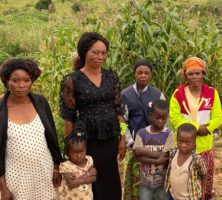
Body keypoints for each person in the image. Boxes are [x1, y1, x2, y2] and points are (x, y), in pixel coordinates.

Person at [59, 32, 126, 200]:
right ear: (84, 52)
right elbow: (69, 117)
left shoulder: (111, 77)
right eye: (95, 52)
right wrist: (70, 147)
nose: (100, 57)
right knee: (90, 186)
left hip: (110, 139)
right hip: (87, 142)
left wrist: (123, 137)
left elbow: (119, 111)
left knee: (111, 183)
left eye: (103, 53)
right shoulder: (72, 80)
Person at [0, 58, 62, 199]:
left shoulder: (40, 102)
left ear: (32, 80)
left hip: (44, 172)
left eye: (26, 80)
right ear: (6, 81)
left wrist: (56, 167)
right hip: (16, 178)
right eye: (15, 81)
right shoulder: (1, 109)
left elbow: (52, 137)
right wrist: (3, 188)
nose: (21, 85)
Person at [169, 56, 222, 200]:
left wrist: (208, 128)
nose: (194, 77)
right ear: (185, 75)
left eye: (197, 73)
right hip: (183, 145)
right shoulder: (178, 94)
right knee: (183, 182)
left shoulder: (212, 93)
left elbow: (217, 118)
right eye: (190, 74)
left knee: (205, 181)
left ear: (203, 73)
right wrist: (197, 129)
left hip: (204, 147)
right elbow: (175, 117)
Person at [121, 60, 165, 200]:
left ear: (151, 75)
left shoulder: (157, 95)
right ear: (134, 74)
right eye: (139, 73)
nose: (143, 76)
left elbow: (164, 121)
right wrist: (131, 142)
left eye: (146, 73)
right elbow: (122, 122)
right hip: (136, 148)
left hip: (155, 147)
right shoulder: (125, 95)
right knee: (137, 183)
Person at [133, 99, 174, 200]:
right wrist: (156, 160)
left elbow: (165, 157)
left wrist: (144, 151)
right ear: (150, 115)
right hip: (145, 181)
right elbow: (137, 156)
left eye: (163, 118)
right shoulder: (141, 133)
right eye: (157, 117)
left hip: (163, 181)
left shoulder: (169, 134)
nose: (160, 121)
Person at [165, 123, 207, 200]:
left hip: (191, 197)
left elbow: (204, 173)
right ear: (176, 139)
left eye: (187, 143)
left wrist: (203, 187)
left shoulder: (196, 160)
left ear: (194, 143)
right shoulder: (173, 153)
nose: (183, 145)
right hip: (173, 196)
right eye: (180, 141)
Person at [59, 122, 97, 200]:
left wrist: (79, 181)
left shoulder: (89, 160)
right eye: (74, 153)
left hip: (87, 197)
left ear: (86, 149)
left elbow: (94, 178)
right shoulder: (65, 166)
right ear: (68, 153)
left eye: (81, 152)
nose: (79, 155)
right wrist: (89, 174)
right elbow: (71, 183)